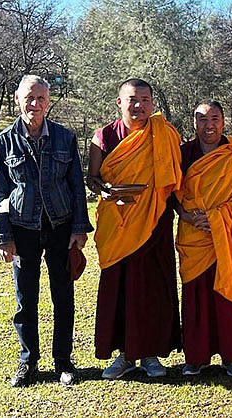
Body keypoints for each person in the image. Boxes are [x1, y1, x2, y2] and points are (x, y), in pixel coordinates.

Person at [0, 75, 93, 387]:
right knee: (26, 298)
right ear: (18, 99)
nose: (35, 104)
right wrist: (3, 236)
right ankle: (28, 361)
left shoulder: (65, 137)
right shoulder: (3, 142)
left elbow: (76, 185)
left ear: (48, 101)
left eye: (41, 99)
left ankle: (63, 362)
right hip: (23, 230)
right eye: (29, 98)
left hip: (60, 226)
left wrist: (79, 228)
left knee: (63, 296)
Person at [86, 78, 182, 380]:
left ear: (152, 103)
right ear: (119, 102)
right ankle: (124, 355)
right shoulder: (103, 137)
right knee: (121, 288)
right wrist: (107, 192)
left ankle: (151, 354)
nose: (139, 105)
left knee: (152, 287)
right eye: (132, 99)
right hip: (119, 223)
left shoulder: (164, 135)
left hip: (155, 221)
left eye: (145, 99)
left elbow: (175, 181)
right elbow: (93, 178)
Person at [174, 99, 232, 377]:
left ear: (223, 121)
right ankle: (196, 357)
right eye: (202, 119)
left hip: (229, 233)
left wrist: (217, 217)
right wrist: (185, 216)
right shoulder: (184, 153)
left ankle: (231, 356)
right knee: (196, 295)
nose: (208, 125)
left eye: (214, 119)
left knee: (228, 294)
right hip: (194, 235)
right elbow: (172, 193)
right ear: (194, 122)